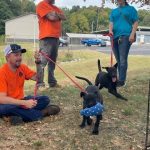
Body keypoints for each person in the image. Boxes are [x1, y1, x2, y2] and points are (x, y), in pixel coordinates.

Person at [0, 44, 60, 125]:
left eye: (20, 55)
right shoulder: (2, 73)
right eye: (16, 55)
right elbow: (2, 99)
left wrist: (38, 62)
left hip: (21, 101)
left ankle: (14, 116)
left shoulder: (22, 67)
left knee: (45, 99)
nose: (19, 58)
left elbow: (38, 78)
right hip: (6, 104)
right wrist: (25, 103)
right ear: (7, 57)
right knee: (6, 109)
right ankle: (42, 113)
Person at [36, 0, 66, 88]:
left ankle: (52, 82)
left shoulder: (55, 8)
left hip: (56, 37)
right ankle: (40, 83)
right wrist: (57, 15)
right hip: (46, 37)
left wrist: (55, 14)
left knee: (53, 62)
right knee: (42, 61)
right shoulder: (42, 5)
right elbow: (51, 17)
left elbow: (64, 17)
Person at [109, 0, 138, 87]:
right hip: (114, 37)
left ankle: (121, 81)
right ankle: (118, 79)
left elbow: (135, 22)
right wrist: (110, 31)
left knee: (122, 60)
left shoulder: (131, 9)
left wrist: (132, 34)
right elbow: (111, 23)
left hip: (125, 36)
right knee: (118, 60)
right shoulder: (113, 11)